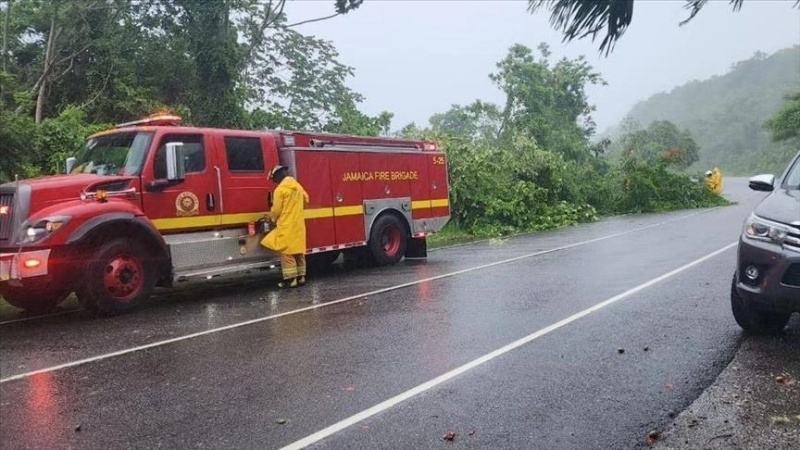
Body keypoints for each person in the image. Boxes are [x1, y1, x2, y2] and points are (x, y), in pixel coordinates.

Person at [260, 165, 309, 288]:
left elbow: (276, 209)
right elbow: (306, 199)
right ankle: (301, 277)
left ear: (278, 175)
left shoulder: (280, 190)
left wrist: (272, 219)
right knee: (298, 251)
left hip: (286, 225)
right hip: (298, 224)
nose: (274, 181)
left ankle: (291, 280)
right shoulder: (297, 186)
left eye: (274, 178)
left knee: (286, 252)